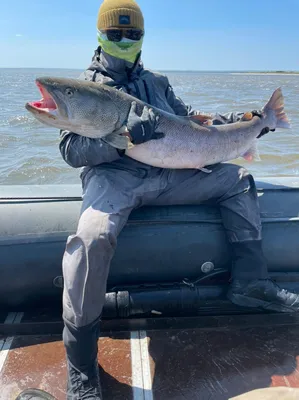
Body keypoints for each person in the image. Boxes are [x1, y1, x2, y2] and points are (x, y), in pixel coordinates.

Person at [19, 0, 299, 399]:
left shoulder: (158, 81)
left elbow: (188, 120)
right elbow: (72, 153)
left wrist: (246, 123)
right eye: (114, 34)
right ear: (100, 35)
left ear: (142, 37)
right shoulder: (86, 86)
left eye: (132, 33)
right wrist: (122, 139)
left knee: (238, 179)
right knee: (92, 237)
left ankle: (251, 283)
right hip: (115, 178)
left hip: (169, 173)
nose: (123, 40)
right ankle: (81, 367)